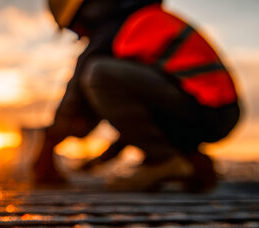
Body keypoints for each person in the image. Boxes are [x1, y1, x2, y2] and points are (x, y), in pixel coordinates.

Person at [33, 0, 241, 191]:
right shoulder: (134, 18)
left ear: (86, 11)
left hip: (206, 110)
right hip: (210, 110)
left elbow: (78, 93)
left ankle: (162, 160)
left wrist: (49, 142)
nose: (79, 37)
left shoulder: (114, 27)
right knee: (104, 77)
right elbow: (140, 107)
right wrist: (107, 155)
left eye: (74, 29)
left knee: (100, 74)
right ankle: (189, 162)